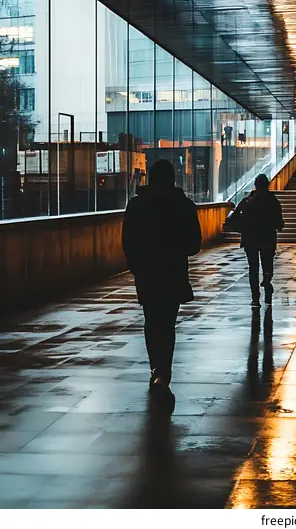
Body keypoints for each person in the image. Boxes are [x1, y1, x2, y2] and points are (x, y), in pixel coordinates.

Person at [122, 159, 202, 410]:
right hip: (172, 272)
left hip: (147, 273)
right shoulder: (184, 205)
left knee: (151, 320)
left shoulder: (136, 204)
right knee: (167, 324)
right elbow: (194, 245)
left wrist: (137, 265)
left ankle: (154, 366)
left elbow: (128, 240)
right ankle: (163, 373)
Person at [233, 174, 284, 308]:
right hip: (267, 238)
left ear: (255, 185)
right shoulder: (273, 201)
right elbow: (279, 221)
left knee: (253, 269)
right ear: (267, 185)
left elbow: (235, 217)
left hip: (250, 240)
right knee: (267, 265)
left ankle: (255, 297)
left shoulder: (247, 201)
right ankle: (267, 284)